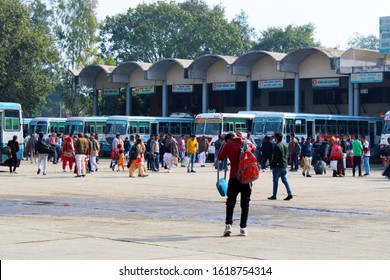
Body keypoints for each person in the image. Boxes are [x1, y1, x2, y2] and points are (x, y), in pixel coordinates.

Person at [218, 132, 257, 237]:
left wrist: (225, 146)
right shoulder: (246, 142)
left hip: (234, 177)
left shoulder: (229, 145)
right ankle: (243, 228)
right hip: (246, 178)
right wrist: (244, 139)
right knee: (245, 204)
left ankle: (228, 225)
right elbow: (254, 149)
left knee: (230, 202)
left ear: (229, 139)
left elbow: (220, 157)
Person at [268, 133, 293, 201]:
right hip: (284, 164)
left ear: (276, 138)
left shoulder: (277, 146)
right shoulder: (285, 144)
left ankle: (274, 195)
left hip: (278, 166)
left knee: (275, 181)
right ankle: (289, 193)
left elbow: (275, 157)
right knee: (284, 180)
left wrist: (272, 165)